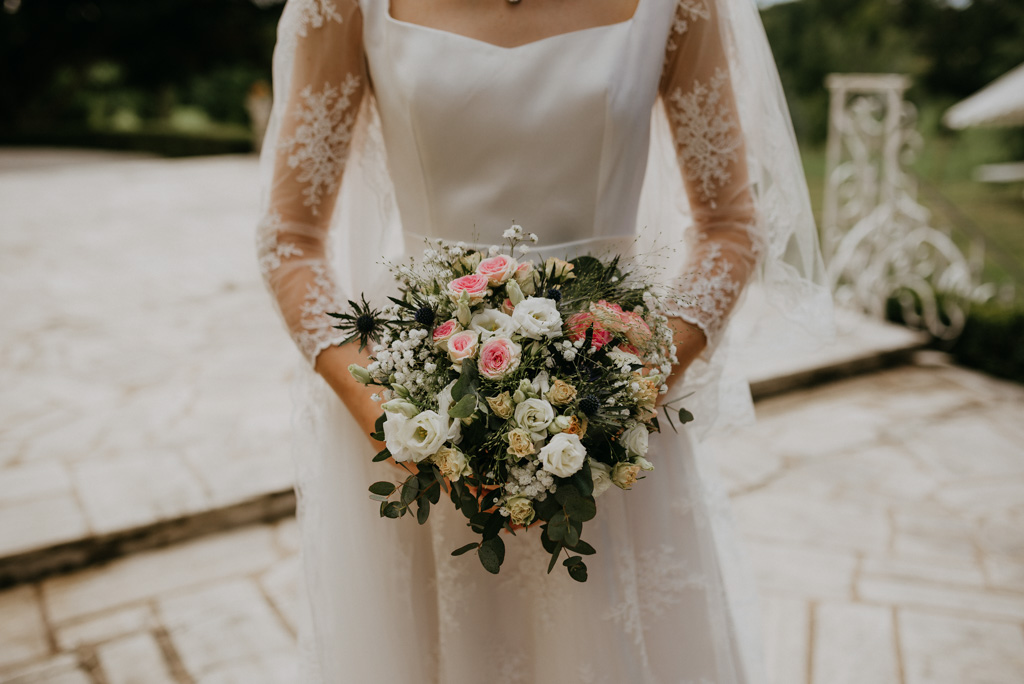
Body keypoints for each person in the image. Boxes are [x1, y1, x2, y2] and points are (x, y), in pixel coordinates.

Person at [256, 0, 833, 681]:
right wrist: (390, 412)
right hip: (416, 436)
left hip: (616, 432)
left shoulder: (680, 6)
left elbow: (731, 226)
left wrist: (628, 389)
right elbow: (289, 242)